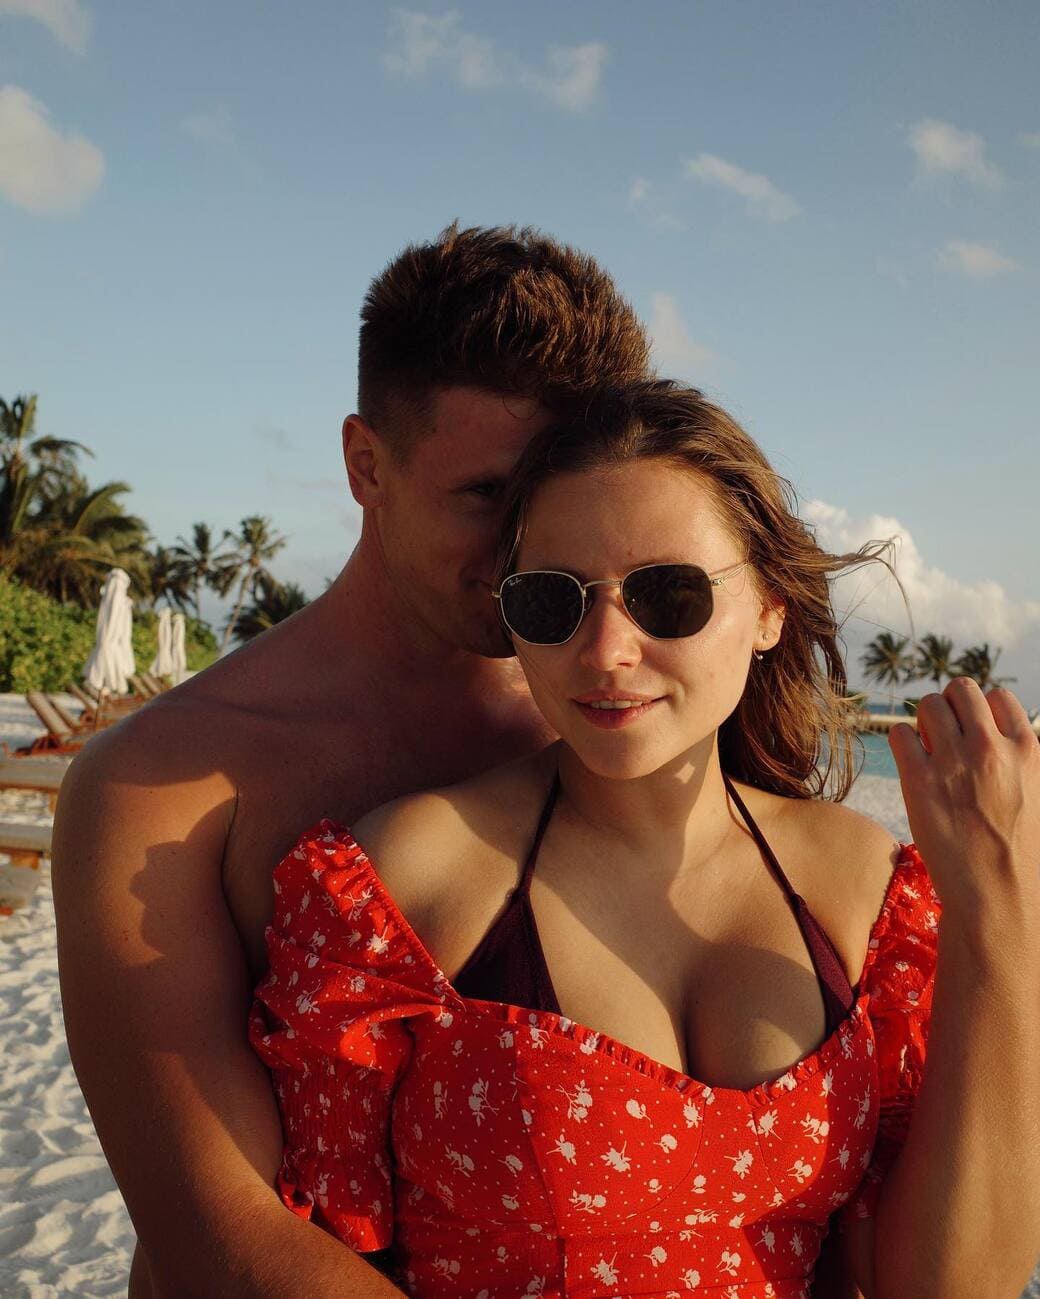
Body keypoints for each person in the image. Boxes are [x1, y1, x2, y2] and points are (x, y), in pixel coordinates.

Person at [251, 381, 1040, 1299]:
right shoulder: (406, 886)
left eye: (668, 594)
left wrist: (1002, 906)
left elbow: (948, 1284)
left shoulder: (863, 887)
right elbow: (314, 1249)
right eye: (553, 601)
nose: (606, 649)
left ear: (770, 607)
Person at [50, 223, 653, 1299]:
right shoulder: (166, 785)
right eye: (486, 497)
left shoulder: (620, 727)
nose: (529, 546)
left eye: (557, 496)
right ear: (366, 465)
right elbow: (215, 1223)